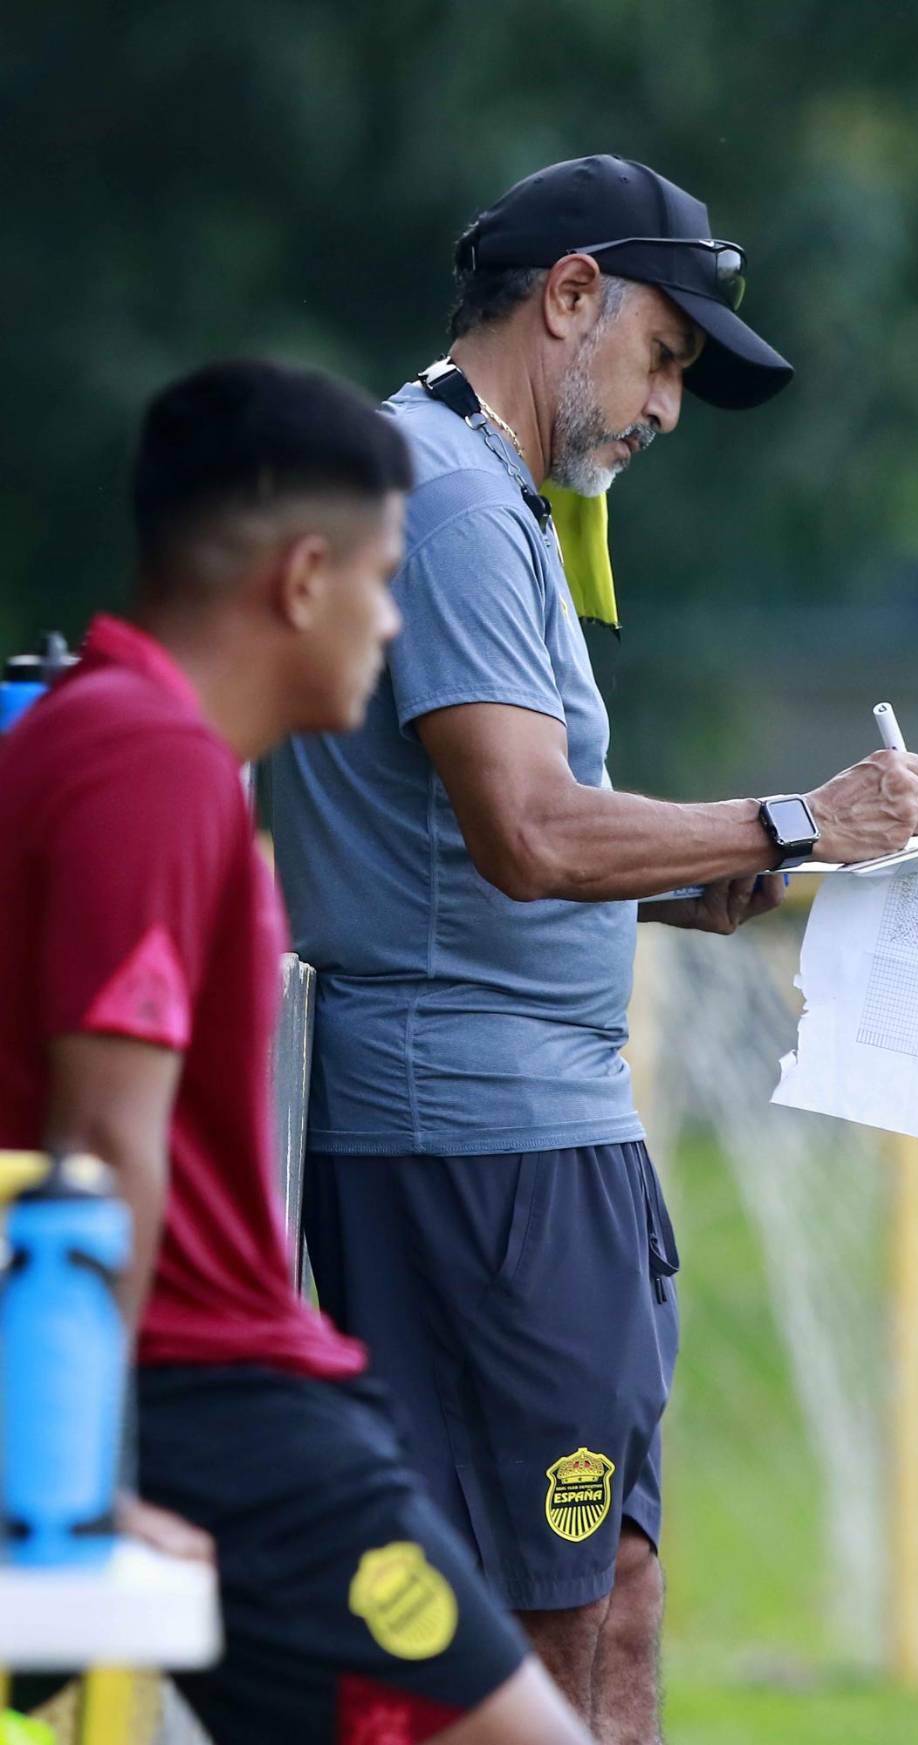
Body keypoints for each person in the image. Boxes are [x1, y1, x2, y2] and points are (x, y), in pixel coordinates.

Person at [270, 156, 918, 1744]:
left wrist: (698, 873)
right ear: (570, 297)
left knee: (612, 1592)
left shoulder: (492, 495)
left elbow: (483, 843)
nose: (664, 409)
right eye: (665, 356)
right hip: (476, 1147)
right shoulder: (440, 493)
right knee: (533, 1627)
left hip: (543, 1136)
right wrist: (790, 822)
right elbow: (529, 830)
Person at [0, 359, 593, 1745]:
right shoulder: (148, 761)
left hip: (201, 1401)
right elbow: (103, 1140)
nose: (395, 621)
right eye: (386, 580)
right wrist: (79, 1485)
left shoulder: (92, 729)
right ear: (303, 576)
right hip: (221, 1414)